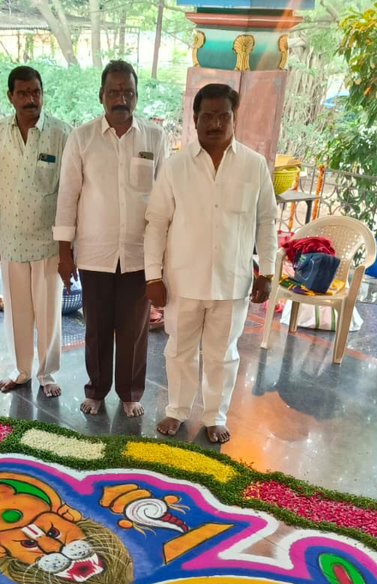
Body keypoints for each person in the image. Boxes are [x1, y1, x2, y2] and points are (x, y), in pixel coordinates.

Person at [144, 83, 277, 445]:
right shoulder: (175, 166)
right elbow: (156, 222)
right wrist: (152, 276)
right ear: (195, 119)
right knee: (179, 350)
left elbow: (267, 221)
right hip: (182, 280)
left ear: (235, 119)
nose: (216, 124)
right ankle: (176, 409)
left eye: (224, 116)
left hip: (231, 281)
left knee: (222, 355)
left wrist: (266, 271)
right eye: (208, 116)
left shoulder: (254, 166)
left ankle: (215, 416)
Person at [55, 60, 167, 418]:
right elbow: (67, 196)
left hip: (139, 253)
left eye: (128, 92)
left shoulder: (154, 137)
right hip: (94, 252)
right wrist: (64, 253)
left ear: (136, 95)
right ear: (101, 95)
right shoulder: (82, 137)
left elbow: (164, 197)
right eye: (114, 91)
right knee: (98, 328)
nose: (122, 98)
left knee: (135, 330)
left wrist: (161, 258)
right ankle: (97, 390)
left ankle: (132, 392)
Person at [0, 66, 71, 398]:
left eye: (35, 92)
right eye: (22, 93)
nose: (30, 99)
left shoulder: (61, 133)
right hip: (11, 238)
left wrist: (68, 245)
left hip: (48, 240)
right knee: (17, 311)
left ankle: (47, 373)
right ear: (11, 96)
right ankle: (21, 370)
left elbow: (68, 191)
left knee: (49, 310)